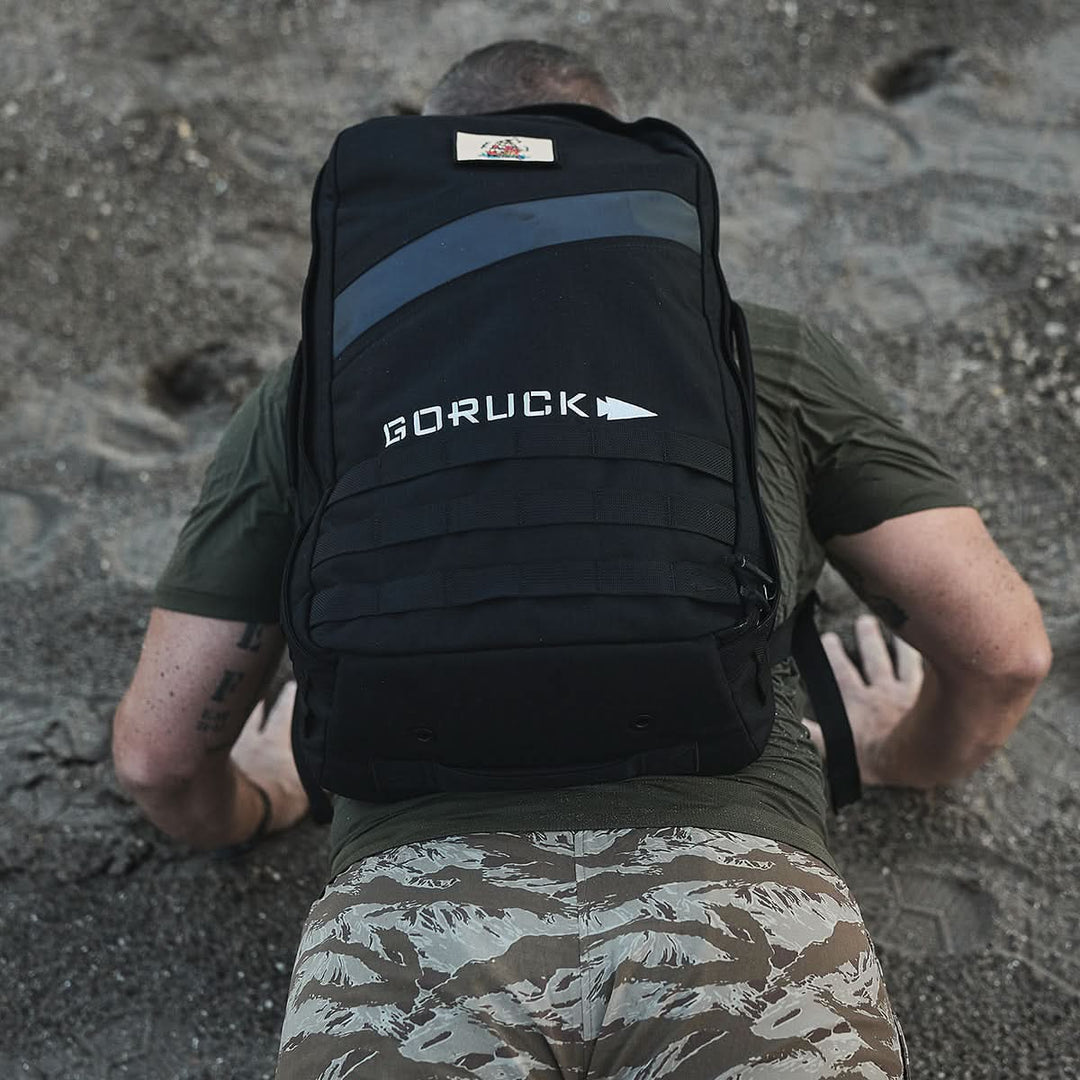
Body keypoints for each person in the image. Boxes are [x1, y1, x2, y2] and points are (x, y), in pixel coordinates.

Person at [112, 40, 1051, 1079]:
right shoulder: (765, 354)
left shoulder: (311, 397)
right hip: (742, 920)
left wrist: (260, 798)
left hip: (411, 943)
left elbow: (158, 759)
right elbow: (1005, 653)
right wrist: (897, 753)